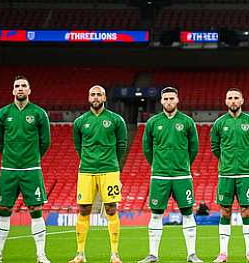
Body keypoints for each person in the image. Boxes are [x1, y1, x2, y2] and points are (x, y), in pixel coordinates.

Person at [0, 75, 51, 263]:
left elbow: (45, 141)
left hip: (31, 169)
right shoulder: (3, 114)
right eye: (17, 86)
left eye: (23, 86)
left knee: (35, 209)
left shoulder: (39, 113)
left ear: (29, 90)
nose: (20, 88)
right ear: (13, 90)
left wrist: (32, 158)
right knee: (4, 208)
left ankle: (41, 255)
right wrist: (11, 157)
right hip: (8, 169)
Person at [138, 87, 202, 263]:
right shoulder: (153, 122)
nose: (168, 101)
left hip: (182, 176)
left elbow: (194, 148)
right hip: (160, 176)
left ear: (177, 100)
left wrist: (184, 164)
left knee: (188, 213)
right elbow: (147, 147)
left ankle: (191, 254)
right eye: (165, 98)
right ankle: (153, 254)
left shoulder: (187, 122)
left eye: (171, 98)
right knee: (156, 214)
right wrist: (157, 165)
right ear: (161, 101)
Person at [69, 85, 127, 263]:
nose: (95, 97)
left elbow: (122, 144)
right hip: (86, 171)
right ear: (88, 98)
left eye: (99, 95)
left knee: (111, 208)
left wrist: (111, 163)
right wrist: (88, 160)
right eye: (92, 94)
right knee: (84, 209)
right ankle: (80, 254)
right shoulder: (80, 121)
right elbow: (78, 146)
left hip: (109, 170)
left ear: (104, 98)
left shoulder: (116, 120)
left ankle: (115, 254)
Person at [210, 88, 249, 263]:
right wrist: (226, 161)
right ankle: (223, 253)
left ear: (242, 100)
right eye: (230, 98)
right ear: (226, 101)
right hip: (225, 174)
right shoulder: (219, 123)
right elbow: (215, 147)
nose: (233, 101)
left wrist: (245, 160)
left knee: (246, 212)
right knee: (225, 212)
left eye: (236, 98)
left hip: (245, 174)